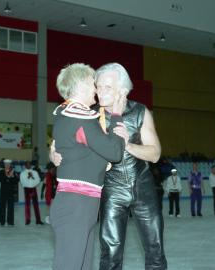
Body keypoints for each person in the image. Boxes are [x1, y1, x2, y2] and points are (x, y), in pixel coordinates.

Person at [51, 62, 167, 270]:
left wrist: (129, 145)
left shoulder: (140, 112)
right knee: (110, 252)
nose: (99, 91)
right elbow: (60, 140)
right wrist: (53, 153)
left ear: (122, 90)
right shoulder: (89, 113)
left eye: (107, 87)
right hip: (110, 189)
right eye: (98, 85)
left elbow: (155, 154)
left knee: (154, 248)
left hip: (142, 186)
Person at [49, 63, 126, 270]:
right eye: (94, 84)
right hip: (77, 205)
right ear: (82, 85)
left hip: (80, 204)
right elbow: (115, 153)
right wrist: (117, 115)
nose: (96, 90)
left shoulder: (66, 114)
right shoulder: (81, 118)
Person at [20, 161, 44, 225]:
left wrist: (33, 178)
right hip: (27, 189)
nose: (28, 165)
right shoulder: (22, 173)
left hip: (33, 189)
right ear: (25, 166)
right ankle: (28, 220)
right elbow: (22, 182)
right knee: (27, 206)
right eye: (27, 164)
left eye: (29, 164)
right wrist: (28, 177)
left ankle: (38, 220)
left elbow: (38, 180)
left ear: (31, 165)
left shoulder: (35, 172)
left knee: (36, 205)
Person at [0, 159, 19, 226]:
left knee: (11, 207)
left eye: (8, 164)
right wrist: (8, 177)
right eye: (6, 164)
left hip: (11, 192)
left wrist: (12, 176)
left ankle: (10, 222)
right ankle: (2, 221)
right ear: (4, 165)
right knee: (2, 207)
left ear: (10, 165)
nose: (7, 165)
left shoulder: (14, 172)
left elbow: (16, 181)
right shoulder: (1, 172)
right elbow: (0, 179)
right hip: (3, 192)